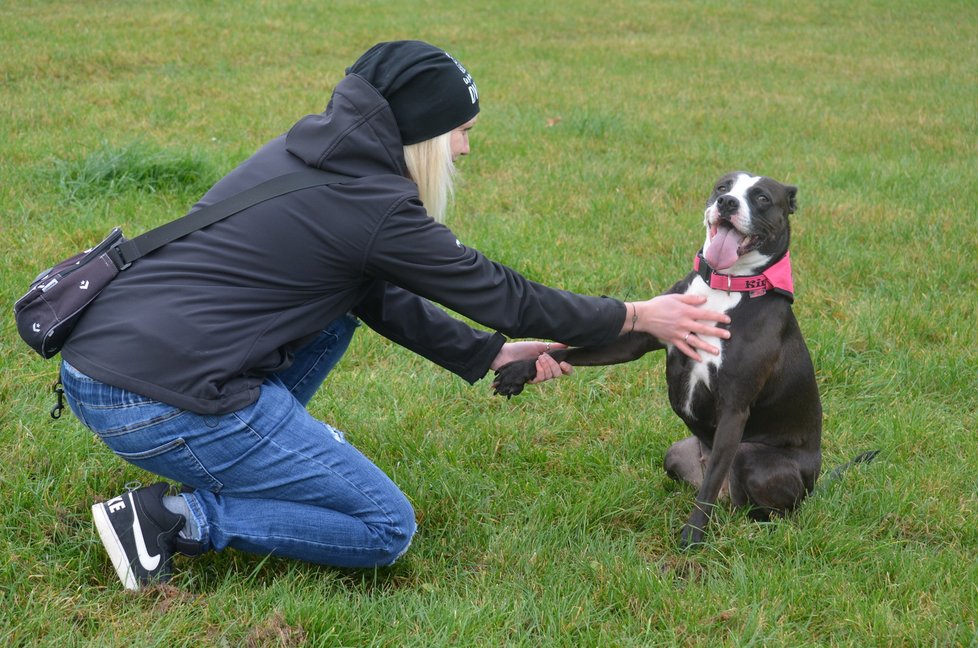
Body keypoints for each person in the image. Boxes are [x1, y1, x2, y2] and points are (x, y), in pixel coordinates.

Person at [59, 40, 731, 590]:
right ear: (424, 133)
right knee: (384, 526)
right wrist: (639, 315)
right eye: (462, 132)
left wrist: (487, 354)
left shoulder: (312, 151)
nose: (466, 150)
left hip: (107, 365)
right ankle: (173, 519)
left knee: (342, 305)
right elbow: (507, 296)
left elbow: (372, 293)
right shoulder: (375, 205)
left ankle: (260, 454)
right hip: (154, 399)